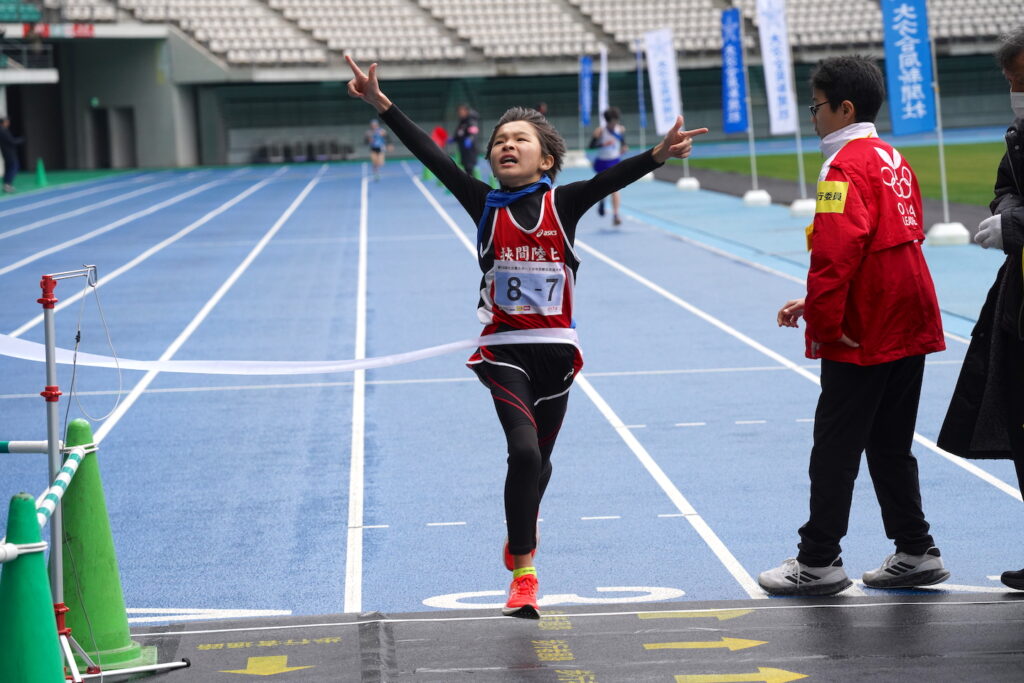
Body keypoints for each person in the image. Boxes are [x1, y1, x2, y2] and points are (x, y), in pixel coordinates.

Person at [345, 55, 707, 618]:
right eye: (499, 141)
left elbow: (611, 178)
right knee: (522, 450)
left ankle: (519, 535)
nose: (506, 146)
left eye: (520, 139)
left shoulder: (564, 205)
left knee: (540, 462)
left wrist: (659, 154)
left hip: (559, 357)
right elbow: (432, 155)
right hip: (504, 351)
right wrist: (382, 104)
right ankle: (525, 571)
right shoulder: (483, 207)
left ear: (547, 158)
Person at [758, 56, 949, 596]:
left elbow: (838, 250)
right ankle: (916, 549)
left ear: (844, 108)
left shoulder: (841, 166)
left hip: (870, 325)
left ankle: (817, 560)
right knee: (890, 441)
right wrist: (818, 299)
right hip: (910, 309)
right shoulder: (893, 157)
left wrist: (825, 315)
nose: (811, 116)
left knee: (835, 445)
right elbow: (887, 240)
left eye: (816, 106)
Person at [938, 27, 1024, 590]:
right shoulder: (1019, 134)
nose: (1017, 93)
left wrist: (1018, 224)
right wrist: (1010, 210)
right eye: (1013, 84)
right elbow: (1004, 187)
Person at [590, 107, 627, 226]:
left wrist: (623, 148)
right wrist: (602, 144)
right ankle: (601, 201)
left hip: (614, 161)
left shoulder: (620, 130)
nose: (614, 123)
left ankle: (616, 215)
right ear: (607, 121)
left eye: (616, 121)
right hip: (602, 162)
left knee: (615, 188)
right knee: (603, 187)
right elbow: (591, 146)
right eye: (612, 121)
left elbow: (623, 144)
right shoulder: (600, 131)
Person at [452, 103, 481, 177]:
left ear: (466, 111)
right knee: (465, 167)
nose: (460, 113)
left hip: (470, 149)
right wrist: (454, 138)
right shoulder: (462, 121)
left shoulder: (471, 120)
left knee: (469, 167)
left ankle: (472, 184)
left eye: (461, 111)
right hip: (463, 148)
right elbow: (459, 133)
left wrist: (469, 140)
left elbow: (474, 132)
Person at [0, 116, 23, 193]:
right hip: (9, 152)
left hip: (6, 152)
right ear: (4, 122)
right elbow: (11, 141)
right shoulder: (3, 131)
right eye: (7, 121)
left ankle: (7, 184)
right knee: (13, 167)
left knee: (9, 168)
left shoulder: (3, 130)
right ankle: (7, 184)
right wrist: (20, 140)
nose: (8, 123)